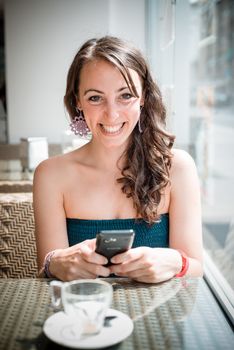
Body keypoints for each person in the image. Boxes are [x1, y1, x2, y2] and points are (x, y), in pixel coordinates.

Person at [33, 36, 203, 283]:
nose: (111, 114)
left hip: (161, 317)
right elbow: (44, 271)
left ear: (143, 97)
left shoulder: (177, 167)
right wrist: (55, 263)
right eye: (95, 98)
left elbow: (196, 267)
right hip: (81, 314)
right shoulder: (50, 175)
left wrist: (175, 261)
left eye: (125, 95)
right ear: (78, 101)